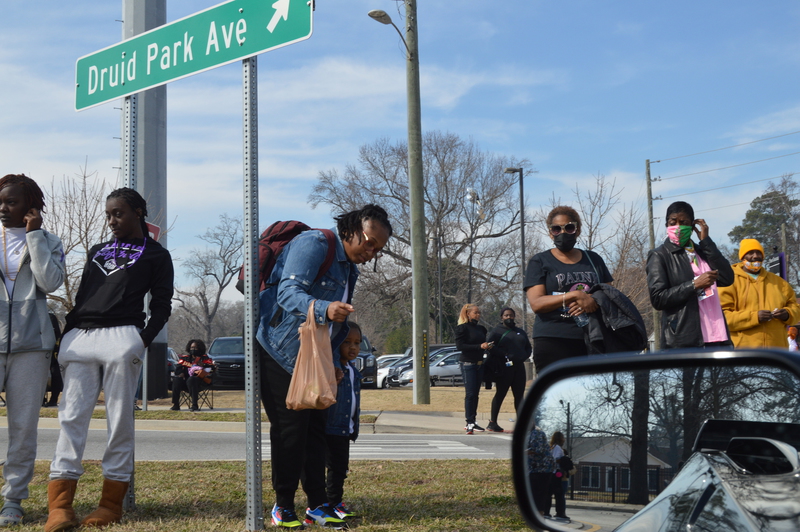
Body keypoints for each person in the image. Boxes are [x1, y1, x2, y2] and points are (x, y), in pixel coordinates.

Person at [46, 187, 174, 531]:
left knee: (119, 422)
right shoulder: (97, 250)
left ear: (138, 212)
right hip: (81, 336)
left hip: (122, 336)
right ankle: (60, 507)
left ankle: (110, 505)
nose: (112, 221)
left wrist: (140, 340)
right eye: (108, 215)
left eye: (118, 213)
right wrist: (67, 334)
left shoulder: (157, 254)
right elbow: (84, 294)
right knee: (71, 419)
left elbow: (162, 303)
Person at [257, 205, 391, 529]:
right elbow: (288, 293)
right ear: (352, 230)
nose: (371, 253)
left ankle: (317, 505)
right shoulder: (314, 243)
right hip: (279, 351)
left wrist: (333, 362)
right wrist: (324, 307)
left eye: (378, 250)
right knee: (291, 431)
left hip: (316, 357)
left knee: (316, 431)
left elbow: (332, 328)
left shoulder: (349, 269)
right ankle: (282, 506)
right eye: (370, 243)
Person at [0, 174, 64, 528]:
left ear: (30, 206)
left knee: (23, 428)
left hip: (32, 346)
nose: (3, 208)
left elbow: (49, 282)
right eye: (0, 202)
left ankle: (13, 499)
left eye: (11, 202)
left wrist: (34, 236)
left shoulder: (49, 241)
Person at [524, 206, 613, 372]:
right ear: (550, 233)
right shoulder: (539, 261)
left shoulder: (594, 259)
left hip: (593, 339)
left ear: (577, 230)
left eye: (569, 227)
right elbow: (536, 303)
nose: (563, 233)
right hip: (553, 340)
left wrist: (593, 300)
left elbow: (610, 295)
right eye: (556, 229)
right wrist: (575, 295)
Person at [646, 201, 734, 349]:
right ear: (667, 225)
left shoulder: (702, 251)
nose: (678, 227)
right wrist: (694, 285)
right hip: (685, 339)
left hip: (716, 336)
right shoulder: (659, 255)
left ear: (692, 226)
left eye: (684, 222)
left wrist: (706, 242)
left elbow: (727, 278)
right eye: (673, 222)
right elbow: (658, 298)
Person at [718, 239, 800, 348]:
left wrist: (788, 314)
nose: (755, 256)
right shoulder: (729, 281)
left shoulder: (779, 282)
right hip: (745, 352)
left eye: (759, 253)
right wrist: (755, 317)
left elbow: (796, 309)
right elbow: (722, 318)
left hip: (777, 352)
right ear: (742, 257)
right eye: (750, 253)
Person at [324, 322, 363, 521]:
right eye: (347, 342)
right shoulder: (333, 369)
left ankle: (336, 502)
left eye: (357, 343)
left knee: (340, 469)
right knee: (333, 468)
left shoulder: (353, 371)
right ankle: (330, 504)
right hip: (331, 428)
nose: (352, 347)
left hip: (345, 429)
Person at [484, 307, 531, 432]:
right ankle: (493, 423)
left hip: (519, 367)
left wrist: (522, 357)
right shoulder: (497, 332)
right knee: (500, 394)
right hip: (504, 368)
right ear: (502, 317)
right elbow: (489, 347)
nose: (509, 317)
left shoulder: (520, 332)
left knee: (519, 396)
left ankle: (522, 424)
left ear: (514, 316)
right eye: (506, 315)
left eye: (511, 315)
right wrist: (505, 355)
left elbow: (528, 348)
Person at [455, 303, 489, 435]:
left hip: (479, 363)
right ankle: (469, 422)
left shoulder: (481, 329)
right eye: (475, 312)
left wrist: (487, 346)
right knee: (470, 394)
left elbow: (482, 344)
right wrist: (479, 346)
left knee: (475, 394)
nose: (478, 315)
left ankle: (473, 420)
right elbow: (460, 346)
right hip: (467, 363)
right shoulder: (462, 328)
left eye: (479, 312)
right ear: (468, 314)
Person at [170, 339, 214, 411]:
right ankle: (175, 404)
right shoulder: (184, 358)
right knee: (176, 380)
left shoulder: (205, 358)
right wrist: (181, 373)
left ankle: (194, 405)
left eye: (195, 348)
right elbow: (177, 369)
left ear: (200, 348)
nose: (193, 349)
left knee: (192, 379)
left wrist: (203, 365)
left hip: (200, 382)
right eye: (192, 347)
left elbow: (212, 368)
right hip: (185, 382)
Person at [527, 426, 555, 516]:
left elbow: (538, 449)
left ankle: (539, 515)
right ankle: (537, 515)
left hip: (542, 468)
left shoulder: (536, 433)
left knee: (538, 495)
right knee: (537, 494)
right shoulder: (529, 433)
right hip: (536, 468)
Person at [546, 431, 568, 521]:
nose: (564, 439)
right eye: (563, 437)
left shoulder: (551, 447)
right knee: (559, 494)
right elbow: (555, 459)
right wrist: (562, 460)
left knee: (548, 494)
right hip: (557, 473)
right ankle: (560, 513)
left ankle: (546, 512)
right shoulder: (558, 448)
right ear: (560, 439)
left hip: (550, 473)